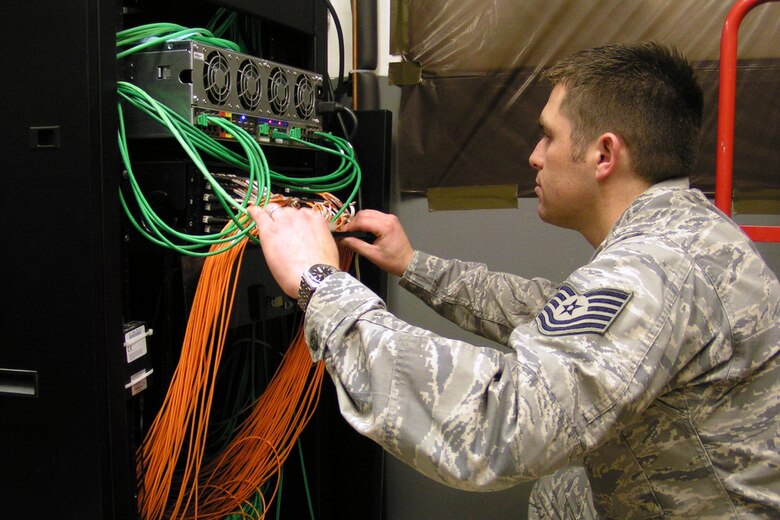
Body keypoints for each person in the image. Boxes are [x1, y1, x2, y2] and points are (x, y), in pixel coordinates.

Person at [248, 42, 780, 518]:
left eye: (547, 135)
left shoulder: (654, 267)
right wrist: (411, 264)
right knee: (560, 493)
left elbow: (497, 426)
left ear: (604, 154)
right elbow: (553, 316)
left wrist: (318, 282)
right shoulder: (685, 228)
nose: (534, 155)